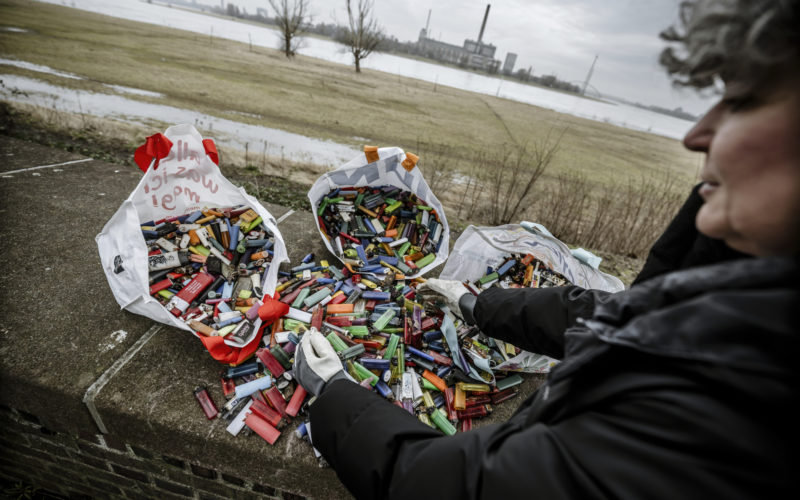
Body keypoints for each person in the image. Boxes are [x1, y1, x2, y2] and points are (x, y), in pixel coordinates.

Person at [293, 0, 800, 497]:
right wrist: (477, 303)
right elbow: (624, 316)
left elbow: (455, 486)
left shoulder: (725, 409)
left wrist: (335, 394)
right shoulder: (737, 301)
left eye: (742, 100)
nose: (695, 135)